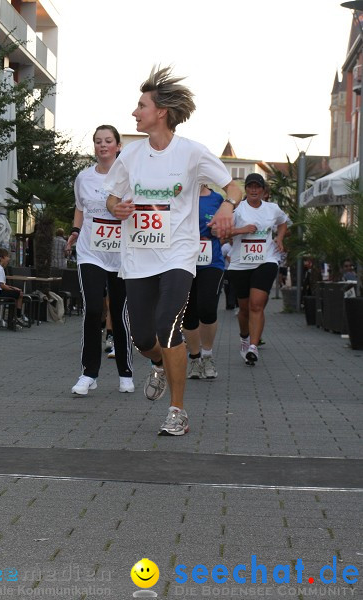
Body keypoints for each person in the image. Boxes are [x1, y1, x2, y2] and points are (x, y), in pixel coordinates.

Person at [106, 65, 242, 436]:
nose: (135, 112)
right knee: (142, 338)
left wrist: (228, 207)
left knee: (169, 326)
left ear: (160, 112)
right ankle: (159, 365)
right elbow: (113, 198)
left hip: (178, 255)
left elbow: (233, 186)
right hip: (137, 256)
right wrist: (116, 207)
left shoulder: (192, 153)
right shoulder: (130, 156)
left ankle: (177, 410)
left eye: (141, 105)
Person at [67, 125, 134, 395]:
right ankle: (88, 373)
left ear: (118, 146)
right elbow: (80, 209)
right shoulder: (84, 178)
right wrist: (74, 231)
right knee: (93, 309)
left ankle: (125, 372)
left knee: (119, 312)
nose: (102, 145)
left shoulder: (129, 178)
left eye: (108, 141)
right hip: (90, 252)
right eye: (98, 141)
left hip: (121, 255)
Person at [227, 173, 289, 366]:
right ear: (246, 189)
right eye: (250, 187)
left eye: (257, 187)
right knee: (244, 308)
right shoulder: (237, 209)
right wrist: (240, 230)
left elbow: (283, 222)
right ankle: (245, 337)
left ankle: (253, 347)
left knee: (256, 304)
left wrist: (279, 238)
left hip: (266, 260)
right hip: (240, 263)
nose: (254, 190)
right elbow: (220, 232)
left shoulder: (272, 209)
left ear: (263, 190)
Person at [184, 185, 227, 380]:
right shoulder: (179, 195)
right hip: (184, 260)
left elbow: (227, 228)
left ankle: (207, 355)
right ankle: (194, 358)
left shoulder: (217, 199)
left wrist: (221, 231)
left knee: (207, 308)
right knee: (188, 313)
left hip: (211, 261)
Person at [0, 248, 27, 327]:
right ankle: (17, 317)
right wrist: (14, 290)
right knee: (19, 294)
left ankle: (14, 317)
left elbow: (2, 284)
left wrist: (14, 288)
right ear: (1, 258)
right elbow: (2, 286)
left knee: (17, 293)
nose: (9, 259)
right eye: (7, 256)